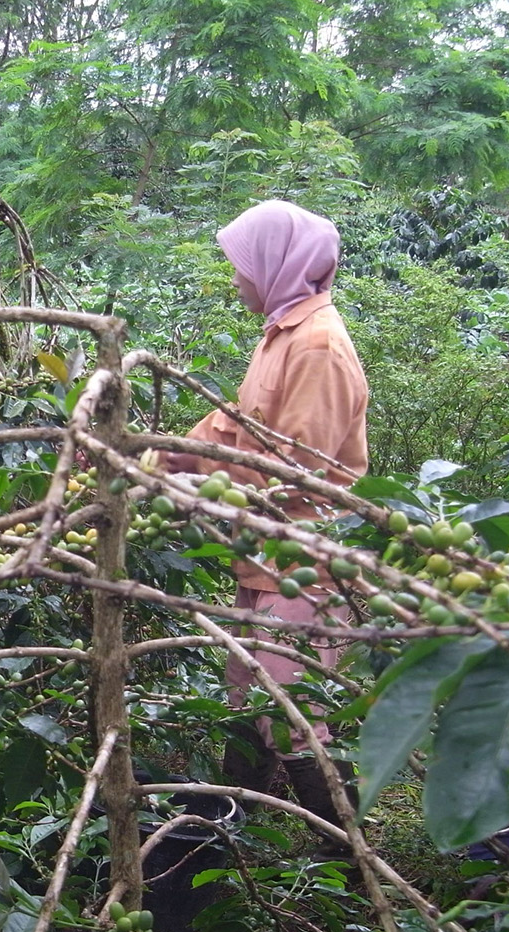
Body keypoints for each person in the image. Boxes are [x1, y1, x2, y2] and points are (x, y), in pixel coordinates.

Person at [159, 200, 369, 849]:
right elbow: (229, 431)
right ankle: (228, 843)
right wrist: (152, 451)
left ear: (277, 266)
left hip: (302, 561)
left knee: (294, 714)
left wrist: (191, 487)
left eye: (240, 267)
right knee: (247, 698)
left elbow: (295, 471)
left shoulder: (319, 347)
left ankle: (356, 861)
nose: (235, 280)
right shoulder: (282, 332)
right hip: (262, 553)